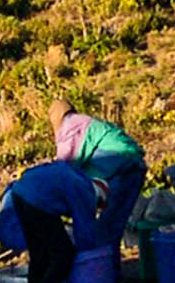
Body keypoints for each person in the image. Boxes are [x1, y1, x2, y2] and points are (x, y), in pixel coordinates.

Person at [0, 161, 111, 283]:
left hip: (20, 194)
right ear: (99, 197)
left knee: (39, 254)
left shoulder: (75, 175)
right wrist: (87, 253)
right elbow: (84, 227)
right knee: (63, 255)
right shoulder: (85, 190)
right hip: (39, 202)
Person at [47, 99, 146, 236]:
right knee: (114, 224)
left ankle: (103, 256)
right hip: (133, 166)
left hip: (121, 168)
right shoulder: (85, 122)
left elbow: (64, 167)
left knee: (108, 228)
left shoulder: (72, 128)